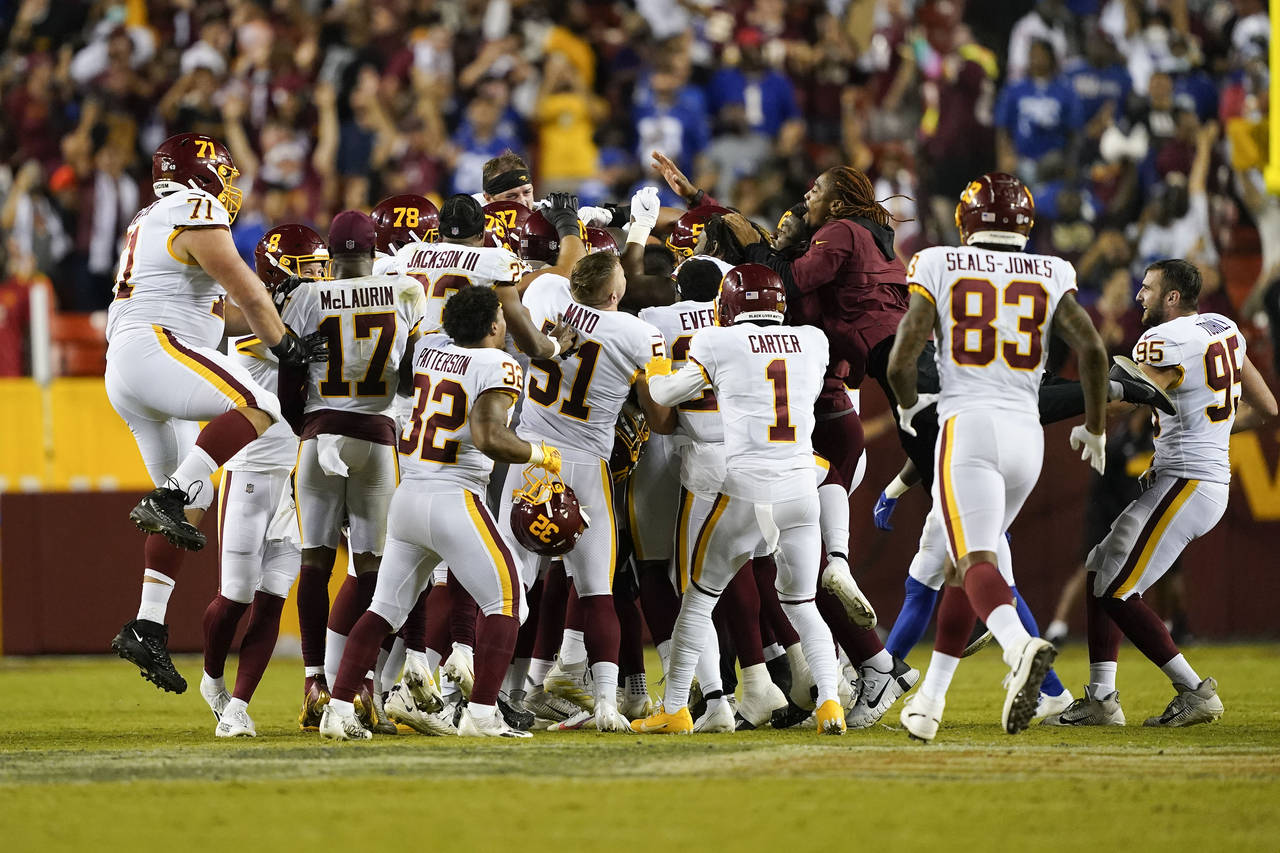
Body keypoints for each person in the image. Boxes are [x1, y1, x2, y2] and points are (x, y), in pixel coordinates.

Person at [887, 171, 1111, 742]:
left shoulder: (937, 261)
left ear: (966, 220)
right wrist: (1094, 428)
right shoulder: (1052, 269)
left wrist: (911, 408)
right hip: (1026, 436)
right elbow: (1091, 349)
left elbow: (901, 357)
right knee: (961, 565)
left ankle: (1018, 648)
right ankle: (929, 703)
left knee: (974, 560)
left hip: (969, 427)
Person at [106, 133, 325, 694]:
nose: (228, 189)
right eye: (223, 176)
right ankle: (170, 493)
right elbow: (245, 290)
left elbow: (218, 313)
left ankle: (147, 624)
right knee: (262, 406)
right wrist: (287, 346)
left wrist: (268, 321)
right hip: (156, 346)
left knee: (197, 499)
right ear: (201, 176)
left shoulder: (153, 217)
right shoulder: (192, 208)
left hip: (134, 361)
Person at [1043, 259, 1276, 728]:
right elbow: (1268, 406)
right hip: (1199, 479)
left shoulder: (1163, 340)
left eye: (1147, 289)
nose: (1138, 297)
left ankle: (1194, 690)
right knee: (1099, 569)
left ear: (1172, 297)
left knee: (1115, 586)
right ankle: (1102, 696)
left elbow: (1138, 393)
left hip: (1187, 481)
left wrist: (1082, 410)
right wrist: (1212, 431)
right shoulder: (1223, 327)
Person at [321, 286, 560, 740]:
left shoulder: (431, 354)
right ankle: (483, 714)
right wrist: (538, 453)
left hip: (408, 496)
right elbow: (489, 435)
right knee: (508, 603)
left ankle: (337, 709)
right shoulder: (498, 364)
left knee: (383, 610)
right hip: (455, 497)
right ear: (493, 324)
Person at [633, 263, 860, 736]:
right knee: (802, 604)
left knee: (697, 599)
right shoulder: (812, 341)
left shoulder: (718, 341)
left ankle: (675, 709)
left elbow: (666, 392)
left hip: (744, 489)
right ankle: (831, 704)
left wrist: (655, 368)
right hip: (801, 489)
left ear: (729, 304)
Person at [498, 251, 672, 732]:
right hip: (584, 465)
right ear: (616, 294)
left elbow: (538, 283)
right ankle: (606, 705)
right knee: (598, 590)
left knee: (511, 584)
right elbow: (659, 415)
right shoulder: (637, 334)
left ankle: (497, 694)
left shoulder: (549, 293)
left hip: (529, 457)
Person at [280, 210, 426, 731]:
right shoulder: (404, 292)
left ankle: (315, 681)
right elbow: (408, 379)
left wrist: (308, 428)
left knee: (314, 563)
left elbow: (287, 382)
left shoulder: (303, 296)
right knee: (373, 571)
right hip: (377, 436)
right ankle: (361, 684)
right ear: (373, 248)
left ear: (331, 255)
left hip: (320, 430)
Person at [198, 224, 328, 737]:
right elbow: (266, 345)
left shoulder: (306, 317)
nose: (321, 277)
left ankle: (239, 706)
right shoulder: (253, 329)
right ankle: (212, 678)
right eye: (311, 268)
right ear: (281, 270)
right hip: (251, 471)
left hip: (296, 475)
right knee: (235, 598)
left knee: (273, 597)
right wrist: (300, 344)